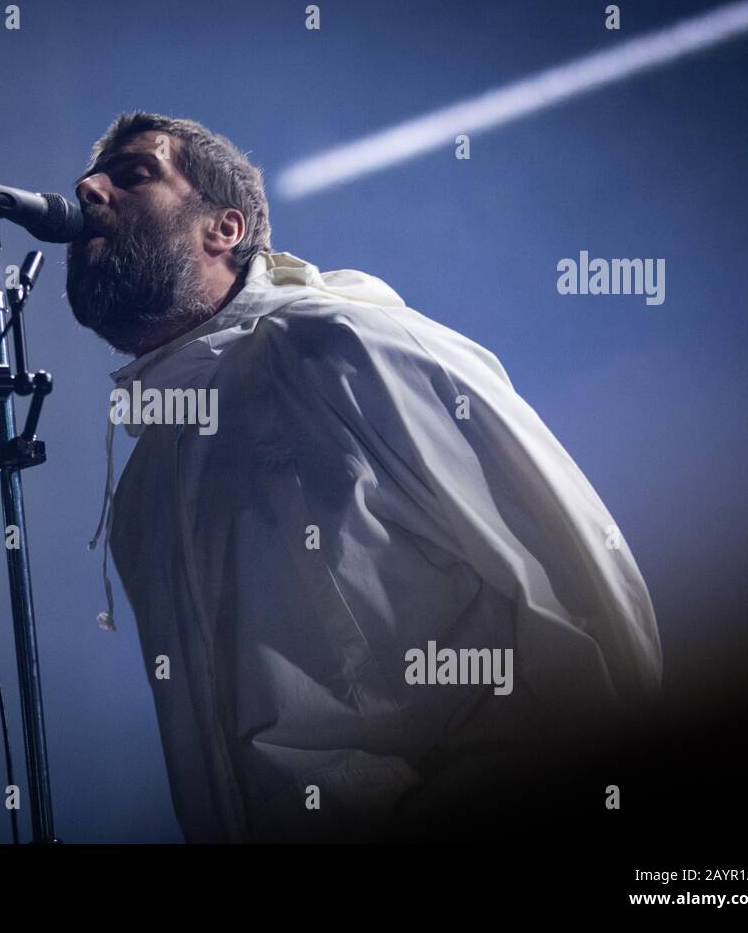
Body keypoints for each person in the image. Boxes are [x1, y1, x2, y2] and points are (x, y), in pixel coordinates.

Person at [66, 111, 663, 843]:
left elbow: (583, 595)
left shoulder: (347, 345)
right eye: (93, 179)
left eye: (134, 175)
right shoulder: (145, 485)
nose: (90, 190)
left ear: (223, 229)